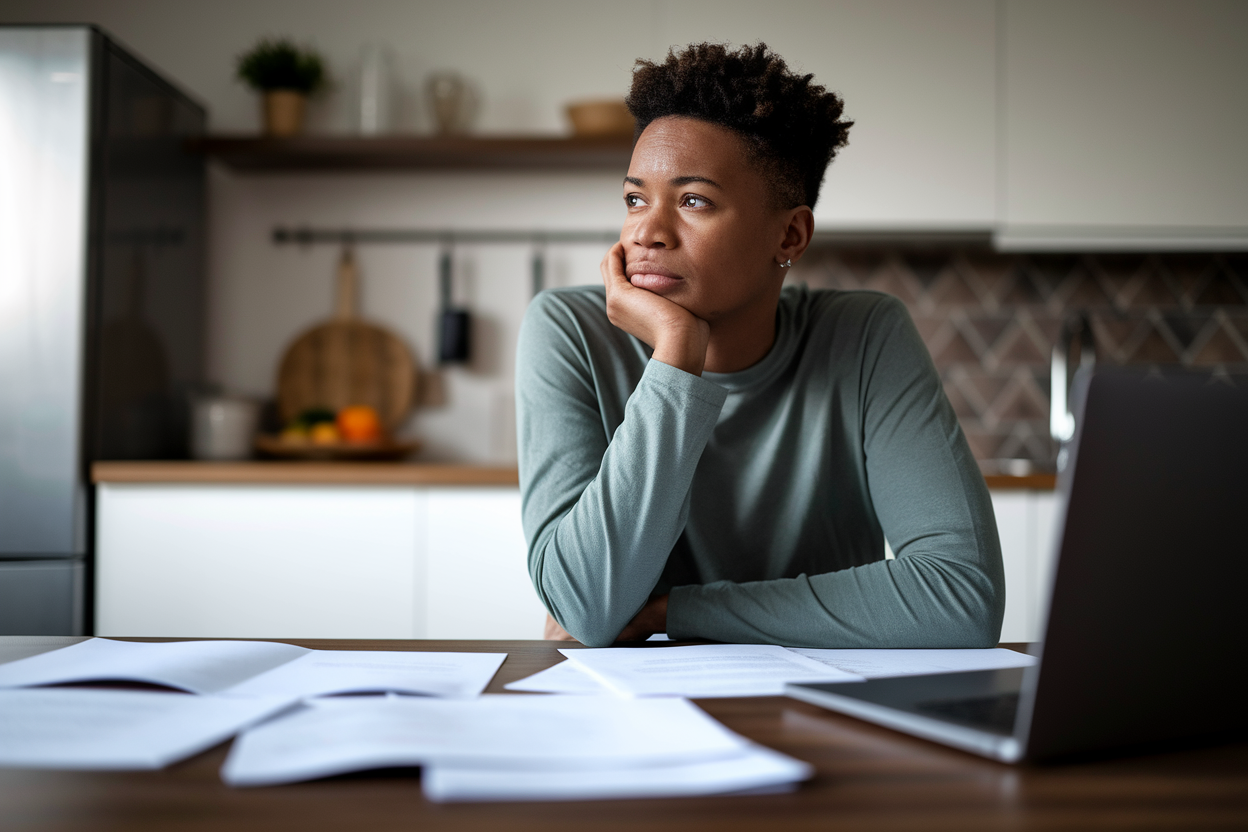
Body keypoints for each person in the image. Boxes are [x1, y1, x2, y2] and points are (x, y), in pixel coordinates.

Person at [515, 43, 1004, 649]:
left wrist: (670, 613)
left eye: (694, 201)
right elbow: (587, 608)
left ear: (790, 234)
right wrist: (675, 353)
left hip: (826, 713)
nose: (646, 231)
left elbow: (961, 599)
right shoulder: (569, 331)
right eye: (635, 199)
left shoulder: (864, 336)